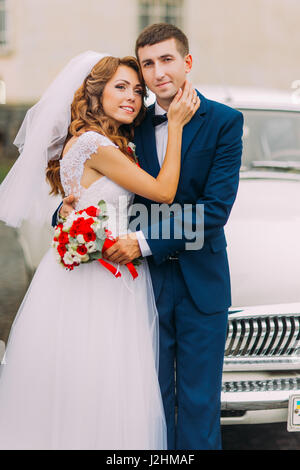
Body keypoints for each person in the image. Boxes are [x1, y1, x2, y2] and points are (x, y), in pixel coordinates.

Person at [0, 51, 199, 450]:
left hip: (87, 271)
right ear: (96, 93)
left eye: (137, 90)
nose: (131, 96)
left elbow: (84, 202)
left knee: (85, 375)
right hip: (101, 278)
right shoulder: (94, 143)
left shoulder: (104, 142)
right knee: (102, 374)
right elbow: (163, 191)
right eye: (120, 87)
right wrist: (175, 127)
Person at [59, 24, 244, 450]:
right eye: (148, 63)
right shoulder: (131, 120)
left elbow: (214, 211)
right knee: (147, 402)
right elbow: (94, 180)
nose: (158, 72)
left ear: (187, 63)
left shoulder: (225, 122)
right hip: (142, 287)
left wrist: (142, 243)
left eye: (167, 59)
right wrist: (67, 212)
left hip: (201, 281)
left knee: (199, 406)